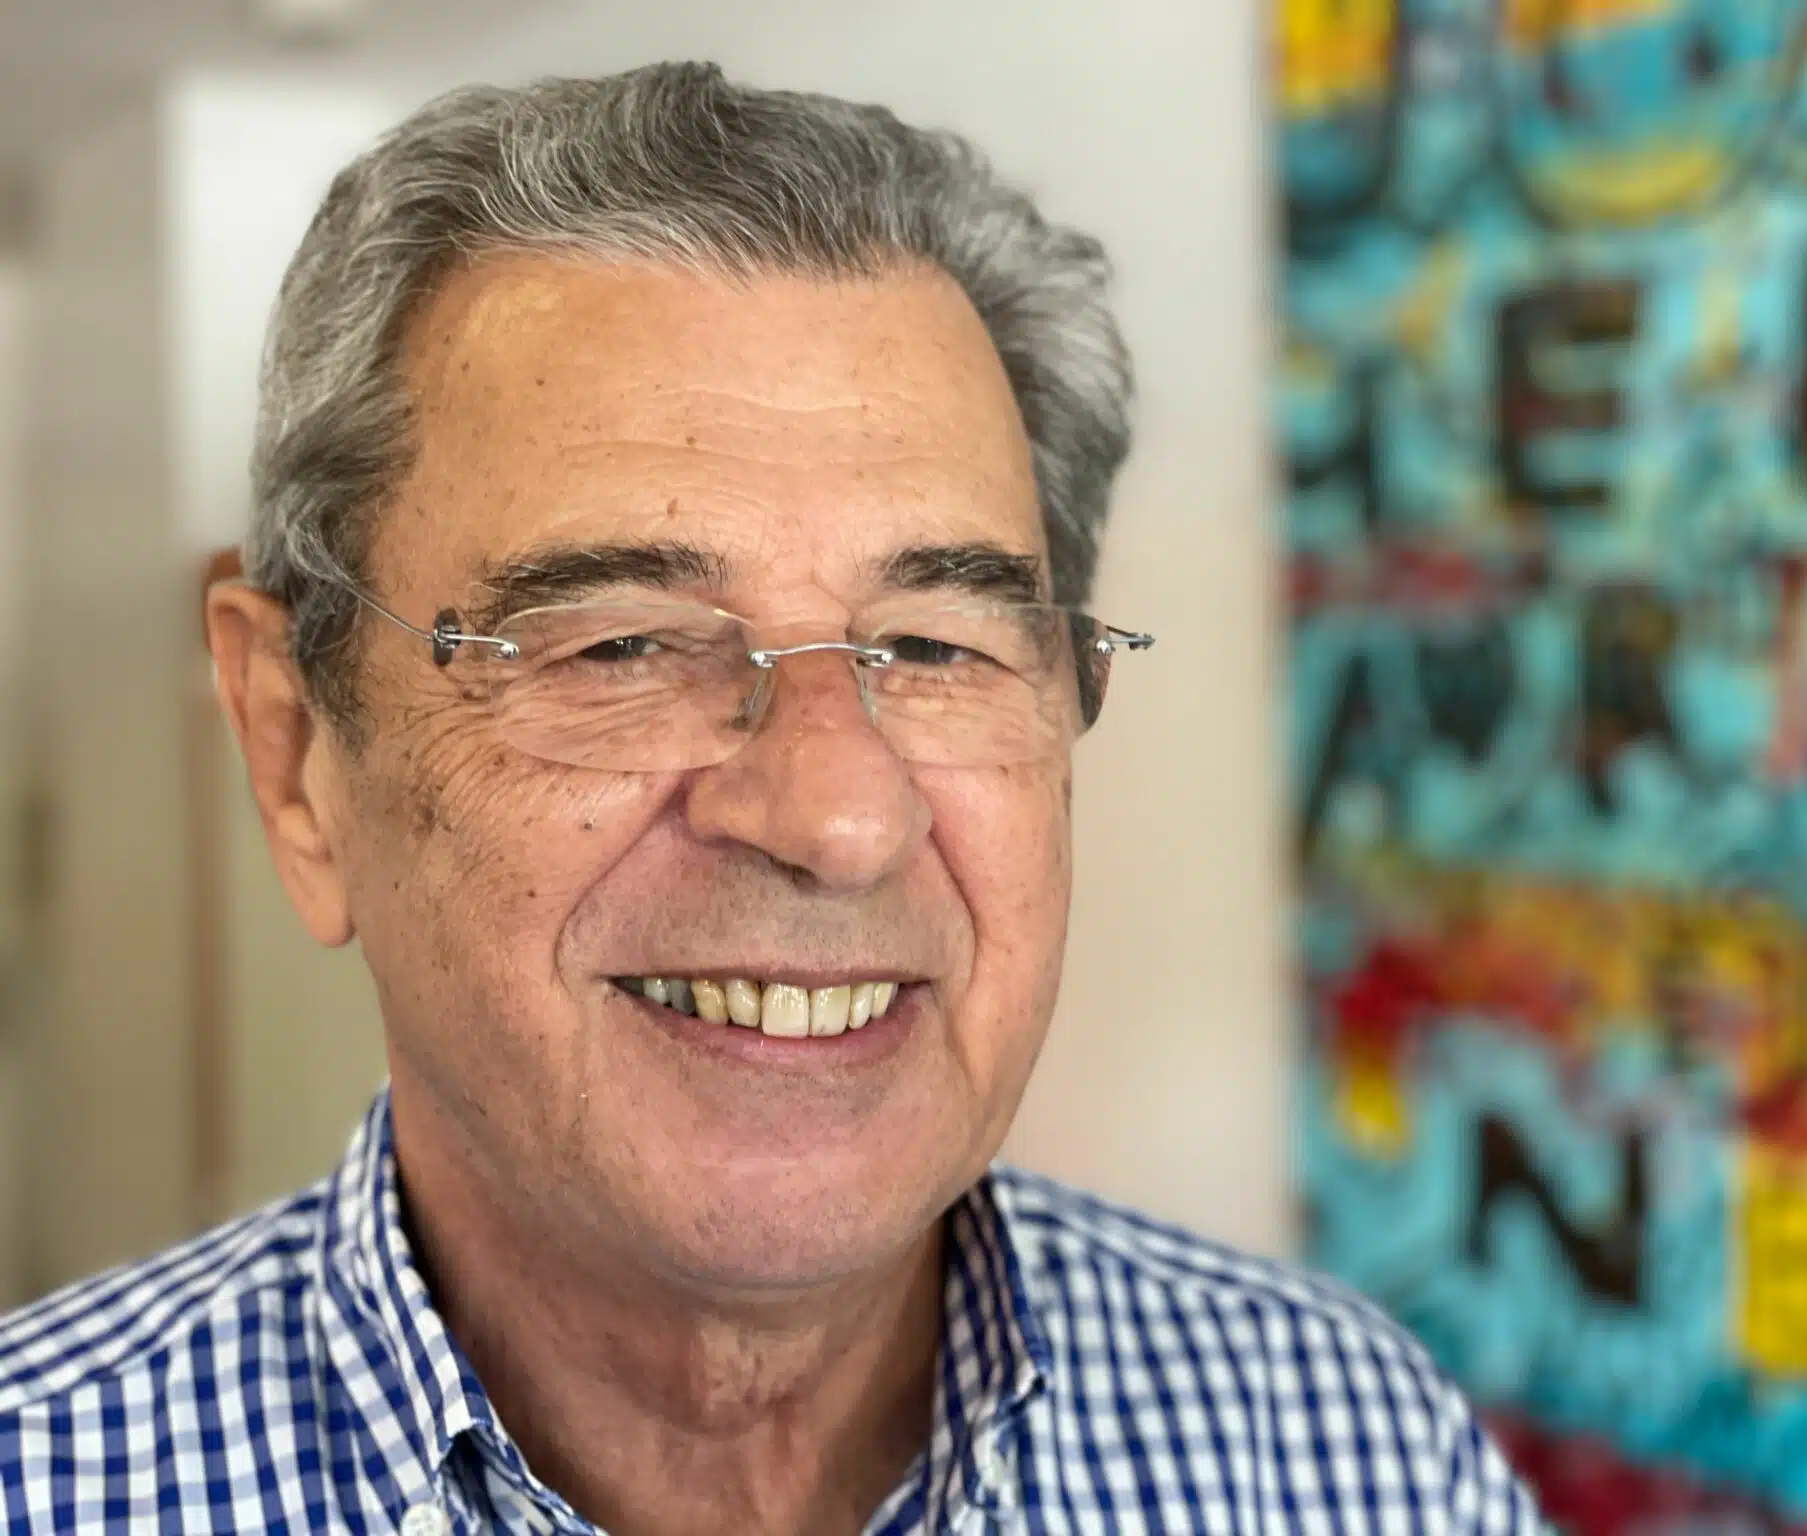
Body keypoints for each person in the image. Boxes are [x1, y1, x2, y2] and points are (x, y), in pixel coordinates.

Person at [0, 63, 1542, 1534]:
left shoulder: (1348, 1449)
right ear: (294, 754)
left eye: (934, 645)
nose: (837, 817)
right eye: (622, 645)